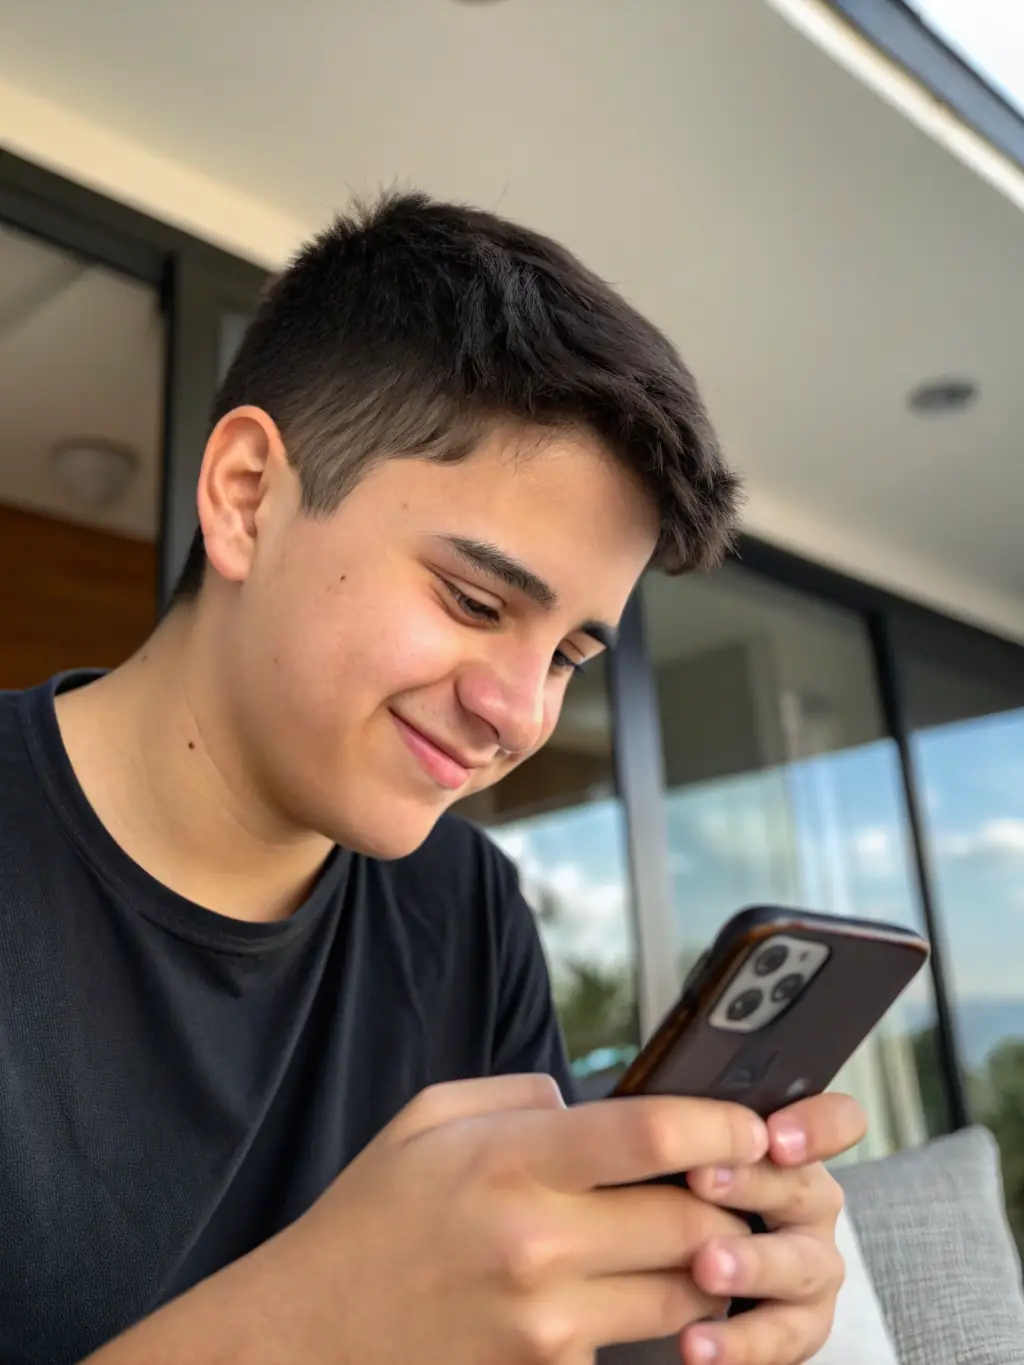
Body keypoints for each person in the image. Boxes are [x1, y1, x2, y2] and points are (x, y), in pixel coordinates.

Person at [0, 191, 863, 1365]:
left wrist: (681, 1303)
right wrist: (312, 1322)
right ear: (247, 495)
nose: (517, 714)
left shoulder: (466, 909)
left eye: (566, 655)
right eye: (472, 601)